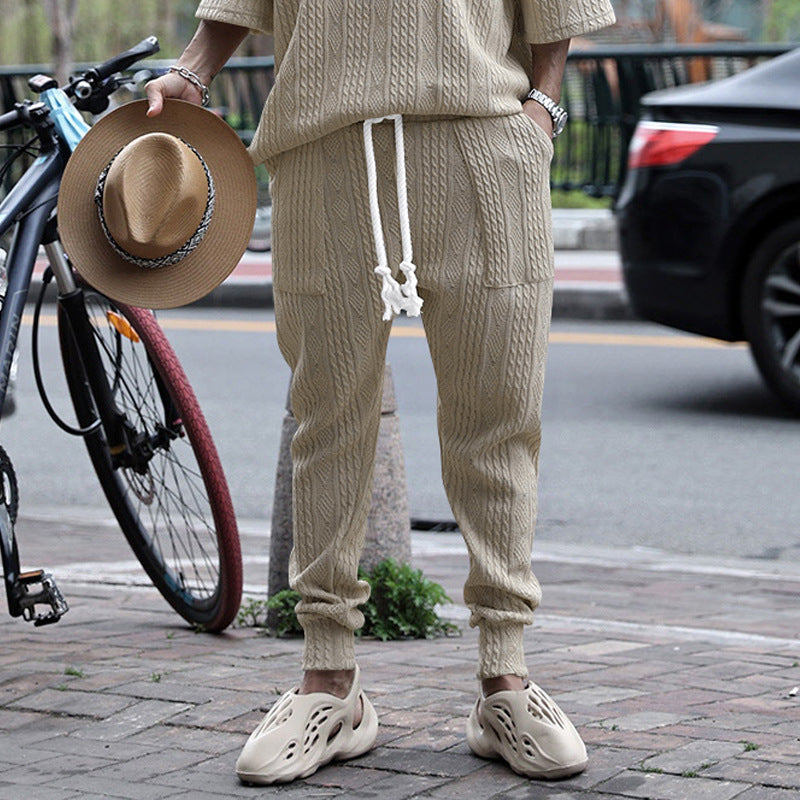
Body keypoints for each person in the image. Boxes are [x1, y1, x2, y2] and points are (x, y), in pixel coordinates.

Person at [147, 0, 615, 786]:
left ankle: (506, 677)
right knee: (326, 420)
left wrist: (541, 106)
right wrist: (194, 69)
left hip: (484, 146)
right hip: (323, 153)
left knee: (499, 419)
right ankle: (328, 683)